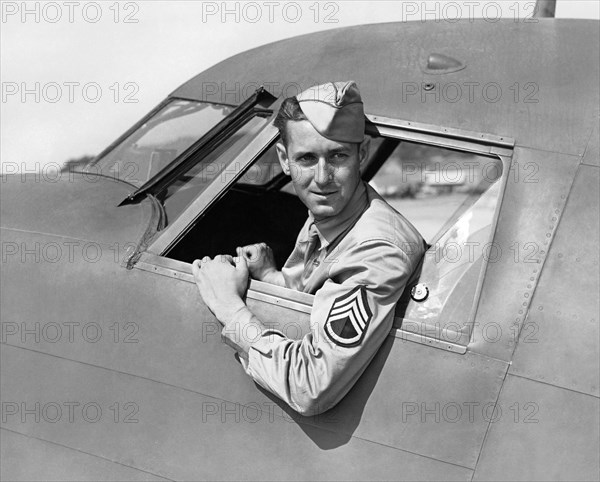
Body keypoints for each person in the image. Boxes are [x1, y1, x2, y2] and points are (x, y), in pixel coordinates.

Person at [193, 81, 425, 416]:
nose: (322, 177)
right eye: (306, 158)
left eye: (338, 156)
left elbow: (312, 385)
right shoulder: (331, 212)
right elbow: (320, 298)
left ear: (362, 154)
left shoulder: (377, 249)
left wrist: (228, 307)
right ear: (284, 160)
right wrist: (271, 276)